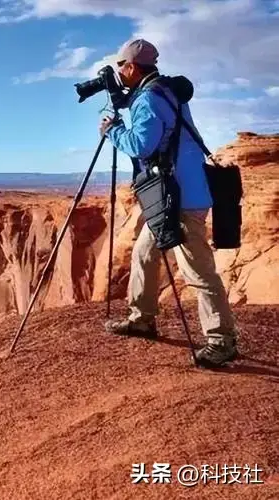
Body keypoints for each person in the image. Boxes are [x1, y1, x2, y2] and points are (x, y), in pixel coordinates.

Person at [99, 38, 239, 368]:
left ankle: (221, 340)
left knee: (197, 268)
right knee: (145, 252)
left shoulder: (149, 98)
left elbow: (142, 145)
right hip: (177, 193)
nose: (120, 72)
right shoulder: (166, 91)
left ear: (131, 67)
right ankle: (141, 318)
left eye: (122, 67)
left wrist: (113, 129)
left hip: (180, 198)